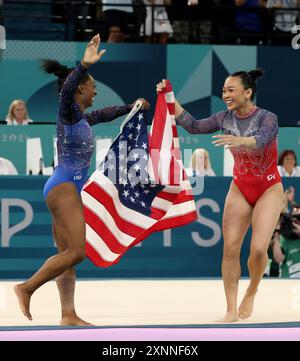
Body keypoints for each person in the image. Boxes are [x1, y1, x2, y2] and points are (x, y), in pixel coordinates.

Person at [14, 34, 149, 325]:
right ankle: (26, 288)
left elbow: (103, 113)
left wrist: (131, 107)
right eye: (92, 87)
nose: (95, 93)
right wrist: (84, 66)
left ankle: (68, 314)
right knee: (77, 252)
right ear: (79, 89)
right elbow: (66, 93)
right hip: (64, 187)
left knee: (66, 253)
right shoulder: (67, 110)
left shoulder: (81, 118)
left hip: (64, 185)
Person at [157, 69, 284, 322]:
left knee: (258, 250)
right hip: (240, 186)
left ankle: (253, 289)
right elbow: (193, 126)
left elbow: (264, 138)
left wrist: (241, 142)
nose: (225, 94)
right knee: (230, 249)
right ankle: (230, 309)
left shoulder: (268, 117)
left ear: (248, 93)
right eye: (224, 90)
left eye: (231, 90)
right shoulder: (223, 118)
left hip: (268, 187)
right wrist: (170, 98)